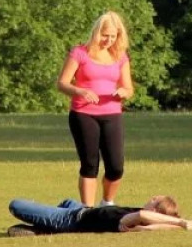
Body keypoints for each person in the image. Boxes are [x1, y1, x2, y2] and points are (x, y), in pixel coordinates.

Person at [57, 11, 135, 207]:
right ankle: (88, 210)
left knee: (116, 167)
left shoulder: (120, 56)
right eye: (104, 35)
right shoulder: (79, 53)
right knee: (90, 164)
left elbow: (129, 88)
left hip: (112, 114)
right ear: (96, 32)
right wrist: (80, 91)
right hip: (83, 114)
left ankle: (107, 203)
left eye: (113, 36)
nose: (108, 40)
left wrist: (123, 92)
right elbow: (62, 83)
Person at [6, 195, 192, 236]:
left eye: (155, 200)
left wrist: (182, 222)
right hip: (81, 209)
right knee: (67, 201)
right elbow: (158, 224)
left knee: (16, 205)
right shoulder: (140, 217)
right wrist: (179, 224)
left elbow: (142, 216)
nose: (151, 197)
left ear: (154, 212)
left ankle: (44, 230)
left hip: (71, 220)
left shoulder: (133, 220)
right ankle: (41, 228)